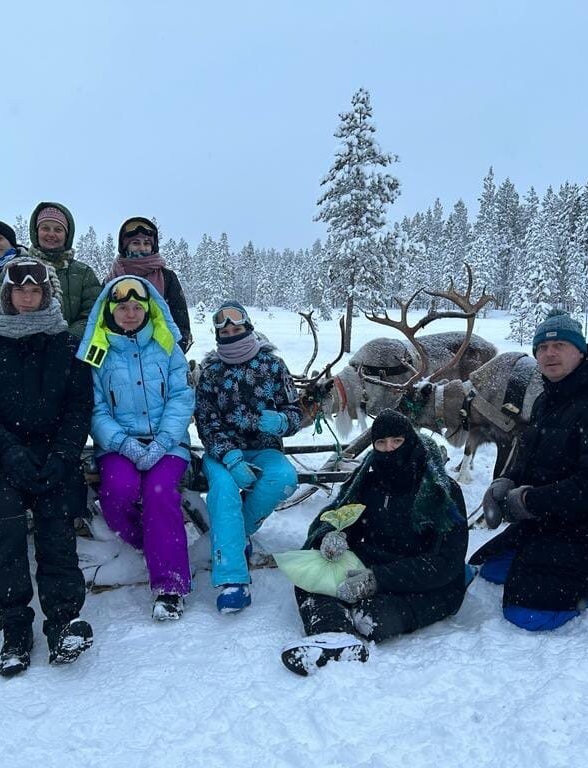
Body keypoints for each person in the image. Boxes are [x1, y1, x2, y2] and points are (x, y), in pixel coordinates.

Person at [0, 257, 95, 677]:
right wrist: (6, 448)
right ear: (7, 294)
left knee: (57, 525)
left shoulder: (65, 345)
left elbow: (78, 406)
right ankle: (15, 628)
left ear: (46, 294)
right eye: (20, 291)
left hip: (52, 452)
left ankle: (63, 623)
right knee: (7, 526)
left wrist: (63, 454)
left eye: (36, 291)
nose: (28, 297)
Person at [470, 310, 588, 631]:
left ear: (580, 351)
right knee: (488, 568)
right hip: (551, 520)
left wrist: (528, 502)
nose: (549, 354)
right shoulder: (548, 400)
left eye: (560, 345)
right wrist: (507, 482)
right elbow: (533, 457)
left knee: (527, 613)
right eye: (542, 348)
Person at [280, 409, 470, 676]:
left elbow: (446, 564)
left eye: (396, 441)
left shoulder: (441, 492)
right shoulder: (367, 482)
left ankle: (345, 627)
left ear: (410, 441)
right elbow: (336, 517)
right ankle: (334, 636)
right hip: (366, 565)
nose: (388, 450)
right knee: (310, 578)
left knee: (372, 619)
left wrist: (377, 579)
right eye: (380, 443)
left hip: (423, 583)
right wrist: (331, 537)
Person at [78, 275, 194, 621]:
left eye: (136, 307)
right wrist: (123, 443)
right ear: (110, 311)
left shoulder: (166, 346)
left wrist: (162, 442)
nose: (130, 313)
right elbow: (94, 408)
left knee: (160, 492)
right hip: (118, 444)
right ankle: (153, 542)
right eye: (122, 307)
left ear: (148, 310)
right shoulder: (98, 352)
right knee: (117, 493)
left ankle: (171, 586)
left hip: (167, 442)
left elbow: (181, 397)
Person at [194, 301, 301, 613]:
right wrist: (230, 457)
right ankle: (233, 580)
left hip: (265, 448)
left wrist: (282, 422)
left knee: (283, 479)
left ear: (248, 328)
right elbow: (206, 423)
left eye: (236, 328)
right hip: (222, 453)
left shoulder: (273, 366)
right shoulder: (211, 373)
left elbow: (294, 411)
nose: (230, 333)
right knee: (224, 493)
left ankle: (236, 533)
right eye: (224, 330)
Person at [0, 202, 101, 339]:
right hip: (21, 350)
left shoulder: (83, 272)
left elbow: (93, 313)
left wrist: (66, 339)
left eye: (58, 230)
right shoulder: (15, 267)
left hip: (68, 353)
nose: (51, 234)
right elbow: (0, 304)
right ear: (36, 232)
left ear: (67, 235)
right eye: (45, 228)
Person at [105, 217, 193, 352]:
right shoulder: (112, 279)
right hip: (119, 356)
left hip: (160, 356)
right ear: (125, 246)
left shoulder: (167, 277)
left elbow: (180, 322)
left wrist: (174, 352)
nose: (142, 248)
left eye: (147, 243)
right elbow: (100, 322)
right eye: (135, 243)